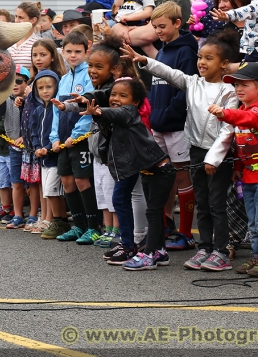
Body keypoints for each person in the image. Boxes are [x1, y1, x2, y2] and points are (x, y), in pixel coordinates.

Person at [122, 30, 241, 272]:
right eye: (200, 57)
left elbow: (228, 130)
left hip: (217, 156)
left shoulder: (229, 92)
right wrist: (145, 61)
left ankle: (221, 251)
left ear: (224, 64)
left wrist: (214, 159)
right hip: (195, 152)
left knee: (217, 204)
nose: (202, 62)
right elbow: (170, 72)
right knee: (203, 204)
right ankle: (205, 248)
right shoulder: (193, 82)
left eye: (209, 58)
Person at [78, 78, 175, 270]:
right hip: (149, 171)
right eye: (113, 94)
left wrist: (98, 111)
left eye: (123, 96)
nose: (116, 99)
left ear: (136, 102)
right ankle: (159, 252)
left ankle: (150, 254)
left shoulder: (129, 113)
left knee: (153, 212)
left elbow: (117, 112)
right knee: (150, 210)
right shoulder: (118, 117)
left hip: (161, 171)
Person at [208, 62, 258, 277]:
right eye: (236, 85)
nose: (238, 89)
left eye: (244, 85)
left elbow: (248, 119)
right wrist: (238, 167)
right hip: (249, 175)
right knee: (253, 221)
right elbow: (240, 145)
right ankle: (257, 257)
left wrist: (224, 114)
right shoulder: (242, 108)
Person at [147, 2, 199, 250]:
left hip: (177, 125)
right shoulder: (163, 51)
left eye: (162, 26)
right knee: (162, 176)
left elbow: (186, 88)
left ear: (177, 23)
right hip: (159, 124)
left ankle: (187, 233)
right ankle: (165, 225)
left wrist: (168, 113)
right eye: (155, 26)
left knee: (181, 176)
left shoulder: (186, 52)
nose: (158, 31)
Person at [47, 30, 102, 242]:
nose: (73, 55)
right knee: (67, 181)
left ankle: (93, 226)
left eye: (78, 51)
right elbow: (56, 110)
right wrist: (55, 137)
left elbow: (88, 109)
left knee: (81, 181)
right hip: (63, 139)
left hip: (80, 140)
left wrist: (76, 135)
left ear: (87, 51)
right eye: (69, 51)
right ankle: (78, 226)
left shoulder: (88, 75)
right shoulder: (63, 78)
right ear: (62, 51)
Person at [25, 69, 64, 235]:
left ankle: (54, 219)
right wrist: (36, 148)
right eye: (41, 88)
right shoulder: (38, 111)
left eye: (49, 87)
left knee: (52, 190)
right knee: (46, 190)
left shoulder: (58, 109)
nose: (45, 91)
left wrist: (46, 148)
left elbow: (58, 132)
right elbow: (34, 132)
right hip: (41, 157)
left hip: (53, 156)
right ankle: (46, 218)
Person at [0, 67, 32, 228]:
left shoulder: (33, 99)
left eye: (19, 81)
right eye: (11, 81)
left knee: (33, 183)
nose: (15, 84)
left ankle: (34, 214)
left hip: (31, 147)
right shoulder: (5, 98)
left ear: (27, 83)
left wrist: (25, 137)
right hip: (13, 146)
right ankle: (18, 215)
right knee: (16, 183)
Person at [9, 2, 42, 68]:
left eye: (21, 17)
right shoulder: (8, 41)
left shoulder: (39, 43)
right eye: (16, 16)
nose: (16, 21)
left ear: (33, 20)